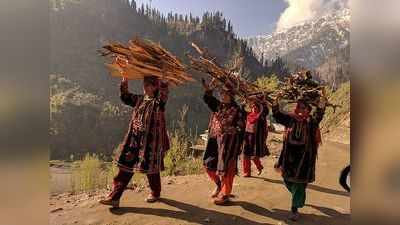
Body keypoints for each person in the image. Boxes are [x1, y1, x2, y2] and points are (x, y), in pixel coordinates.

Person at [99, 76, 169, 208]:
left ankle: (155, 192)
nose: (145, 87)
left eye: (149, 85)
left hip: (151, 141)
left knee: (151, 168)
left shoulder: (158, 103)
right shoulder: (139, 99)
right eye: (145, 84)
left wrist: (164, 83)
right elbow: (125, 98)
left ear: (155, 87)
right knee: (126, 166)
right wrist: (125, 83)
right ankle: (115, 197)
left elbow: (163, 97)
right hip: (134, 139)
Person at [273, 94, 326, 221]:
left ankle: (294, 209)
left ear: (308, 110)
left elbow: (319, 114)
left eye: (303, 108)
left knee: (298, 184)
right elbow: (277, 115)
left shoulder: (311, 122)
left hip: (304, 160)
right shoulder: (290, 119)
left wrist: (322, 103)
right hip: (289, 159)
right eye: (298, 107)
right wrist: (275, 102)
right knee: (287, 181)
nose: (300, 110)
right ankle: (298, 197)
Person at [202, 79, 245, 205]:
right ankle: (219, 184)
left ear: (232, 96)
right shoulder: (218, 105)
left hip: (228, 143)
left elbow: (241, 128)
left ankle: (225, 194)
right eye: (221, 93)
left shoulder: (238, 110)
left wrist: (233, 133)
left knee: (227, 168)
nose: (222, 95)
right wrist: (208, 91)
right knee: (208, 164)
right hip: (214, 139)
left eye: (226, 94)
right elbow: (208, 100)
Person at [242, 97, 270, 177]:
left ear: (259, 108)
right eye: (252, 107)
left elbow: (265, 111)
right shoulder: (248, 115)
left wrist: (262, 102)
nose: (254, 108)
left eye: (255, 107)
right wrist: (243, 103)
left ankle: (259, 167)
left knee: (254, 156)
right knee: (245, 155)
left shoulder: (261, 116)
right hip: (247, 137)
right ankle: (247, 172)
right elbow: (242, 111)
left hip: (256, 139)